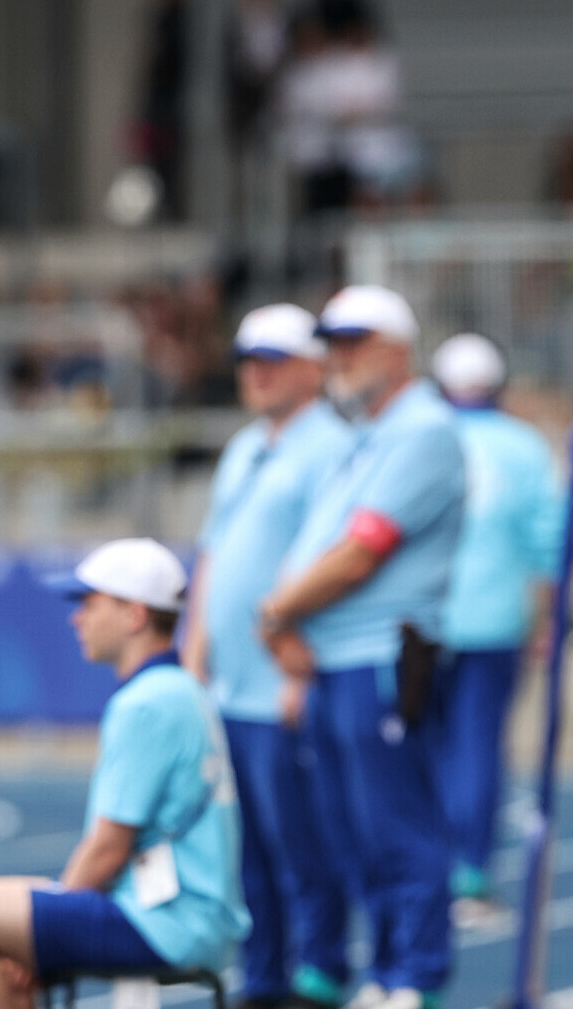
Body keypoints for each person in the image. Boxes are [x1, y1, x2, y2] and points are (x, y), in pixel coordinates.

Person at [0, 538, 249, 1009]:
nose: (77, 618)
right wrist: (39, 930)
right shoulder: (181, 691)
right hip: (188, 916)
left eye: (90, 603)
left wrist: (39, 946)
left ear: (134, 614)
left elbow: (107, 850)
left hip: (166, 922)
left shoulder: (146, 704)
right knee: (11, 905)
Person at [258, 284, 464, 1009]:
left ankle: (416, 975)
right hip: (337, 660)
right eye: (334, 345)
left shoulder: (424, 430)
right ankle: (386, 969)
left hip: (380, 655)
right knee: (352, 832)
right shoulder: (371, 435)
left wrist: (276, 612)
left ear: (396, 349)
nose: (339, 358)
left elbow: (359, 553)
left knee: (395, 824)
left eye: (354, 342)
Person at [184, 304, 355, 1009]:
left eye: (272, 360)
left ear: (312, 368)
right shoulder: (245, 446)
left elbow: (332, 559)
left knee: (301, 838)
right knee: (245, 846)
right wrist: (193, 657)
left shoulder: (332, 447)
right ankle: (262, 974)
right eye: (249, 360)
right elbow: (213, 556)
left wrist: (300, 662)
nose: (255, 373)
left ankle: (317, 968)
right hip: (232, 686)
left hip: (281, 681)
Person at [428, 333, 563, 917]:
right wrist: (545, 620)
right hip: (495, 620)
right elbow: (549, 543)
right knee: (480, 747)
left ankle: (426, 867)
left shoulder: (420, 440)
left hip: (420, 623)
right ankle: (470, 873)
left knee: (425, 748)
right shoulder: (524, 447)